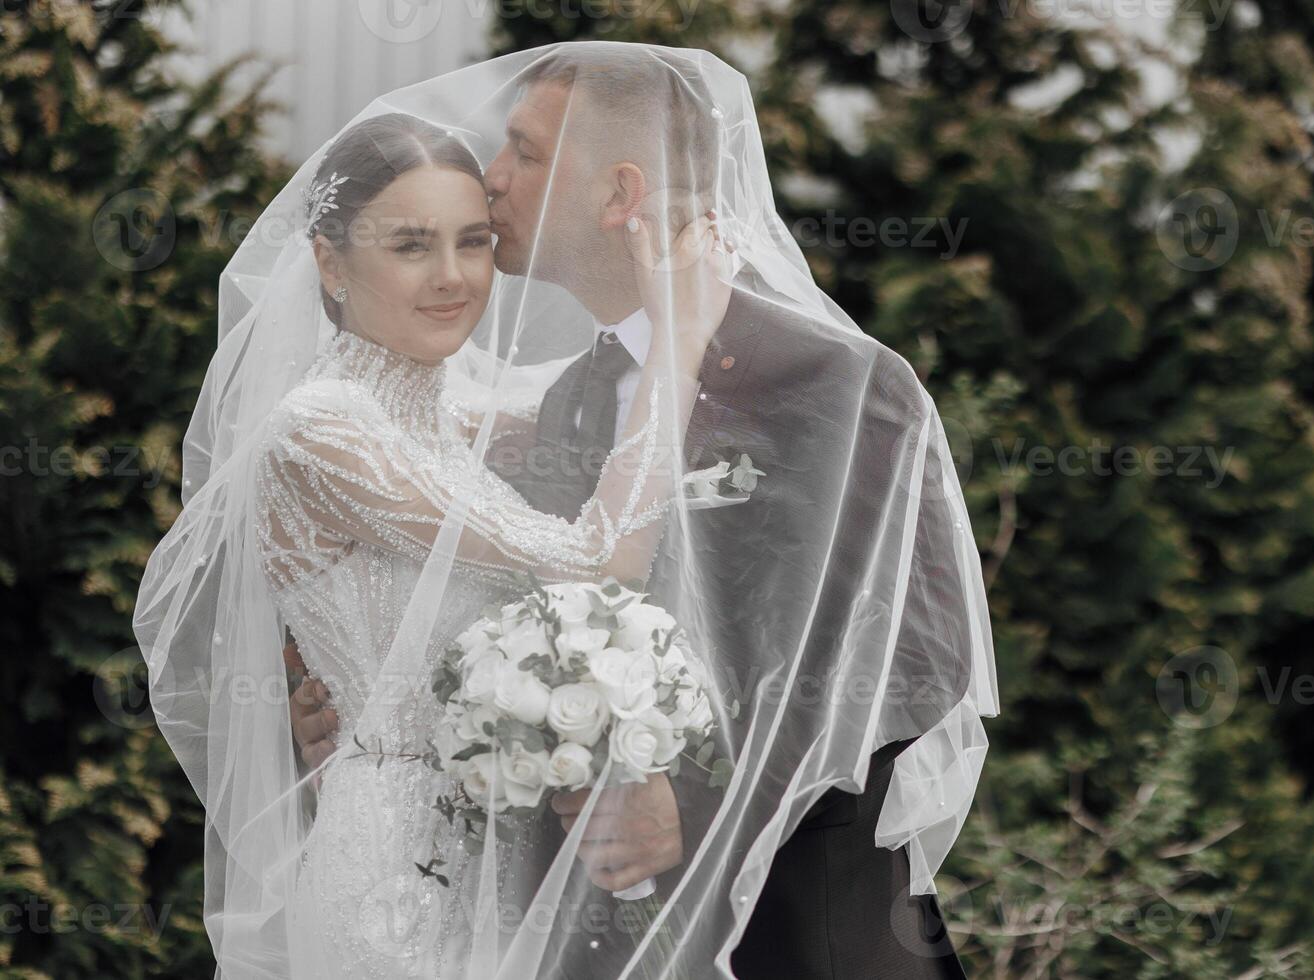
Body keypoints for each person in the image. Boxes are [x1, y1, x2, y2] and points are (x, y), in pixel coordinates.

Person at [139, 41, 997, 979]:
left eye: (524, 154)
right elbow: (521, 597)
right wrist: (325, 700)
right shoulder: (571, 402)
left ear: (620, 191)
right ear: (332, 266)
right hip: (498, 905)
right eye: (414, 242)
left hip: (800, 937)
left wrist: (691, 799)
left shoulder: (833, 379)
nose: (493, 181)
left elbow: (919, 655)